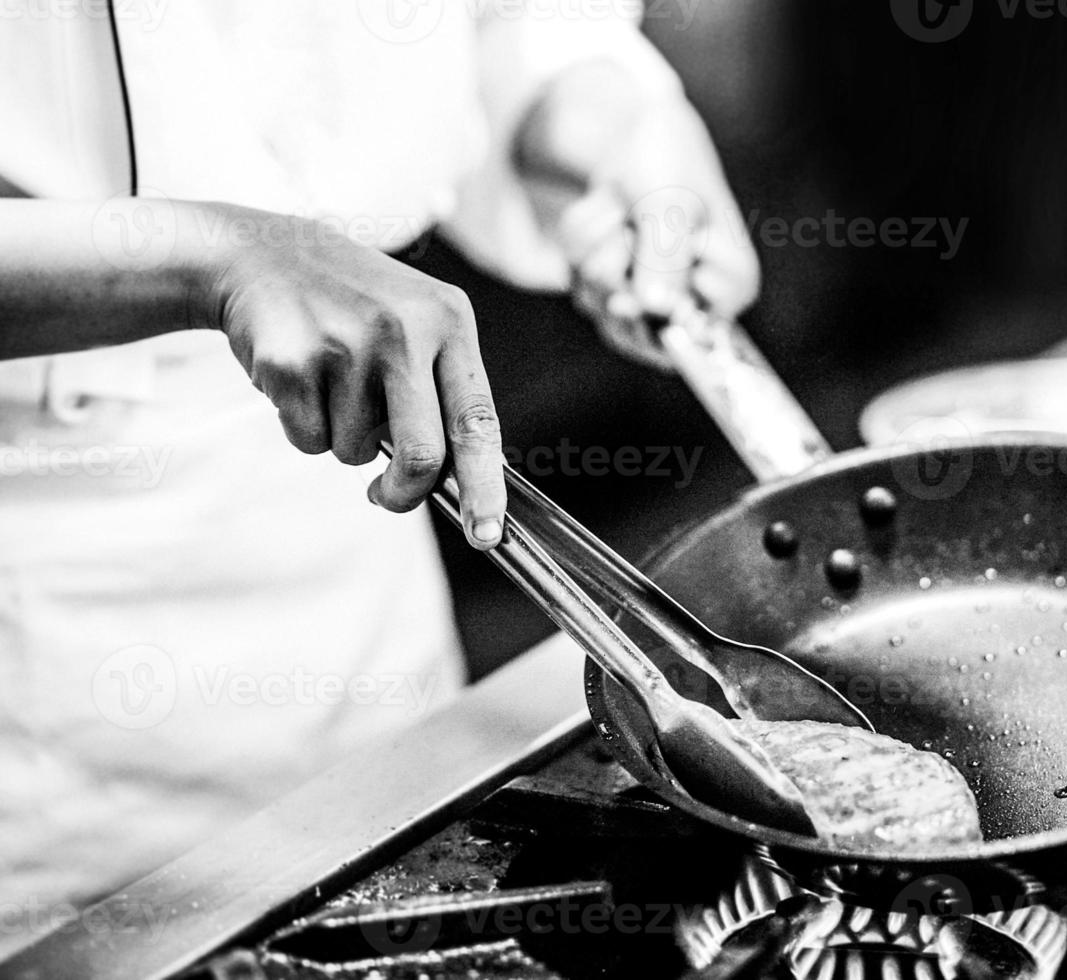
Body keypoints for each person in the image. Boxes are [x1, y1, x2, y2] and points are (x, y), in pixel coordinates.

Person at [0, 0, 758, 955]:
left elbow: (492, 28)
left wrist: (614, 118)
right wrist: (215, 258)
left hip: (363, 545)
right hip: (46, 663)